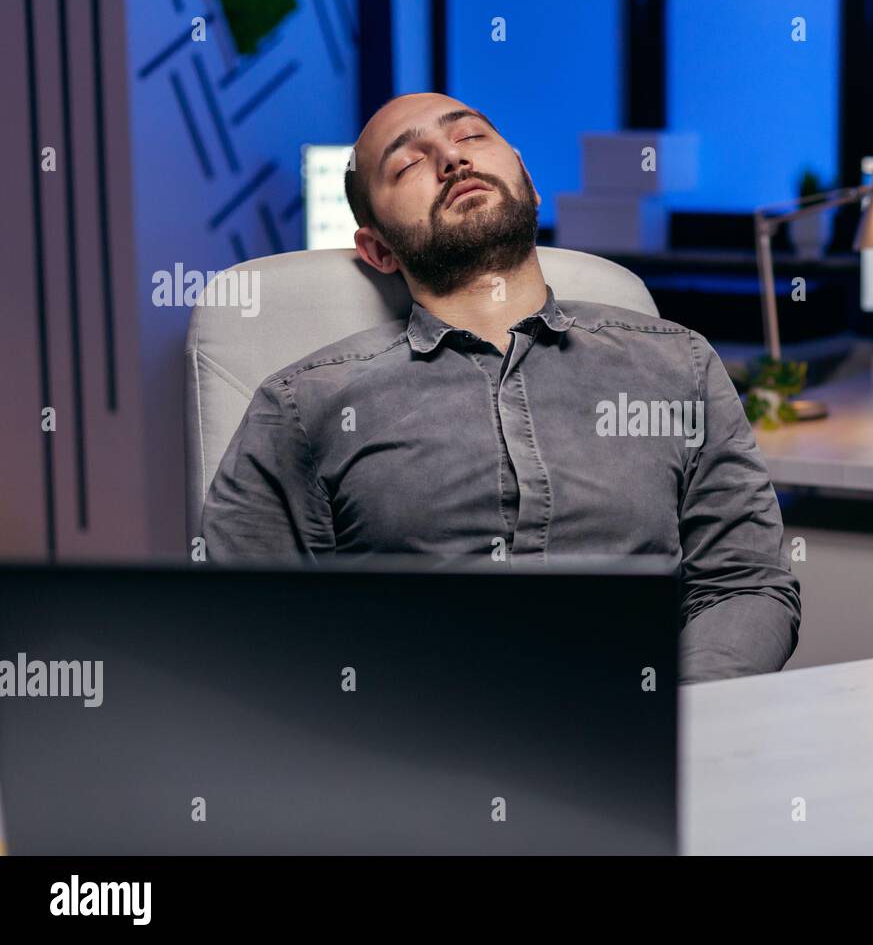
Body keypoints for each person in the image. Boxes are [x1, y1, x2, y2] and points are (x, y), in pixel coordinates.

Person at [201, 92, 799, 682]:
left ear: (530, 184)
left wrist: (676, 722)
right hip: (421, 756)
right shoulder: (303, 407)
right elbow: (251, 634)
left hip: (648, 741)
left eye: (470, 137)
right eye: (408, 163)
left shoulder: (678, 365)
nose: (452, 160)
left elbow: (743, 585)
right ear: (378, 249)